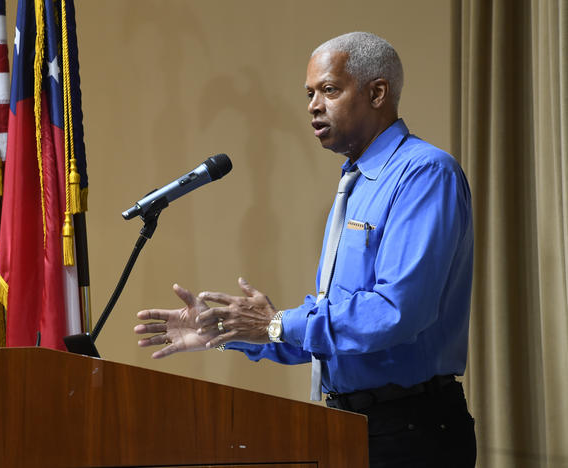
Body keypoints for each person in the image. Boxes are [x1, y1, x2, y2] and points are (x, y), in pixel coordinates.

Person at [134, 32, 476, 468]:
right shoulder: (355, 183)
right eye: (310, 93)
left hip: (411, 430)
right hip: (347, 425)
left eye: (329, 90)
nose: (314, 105)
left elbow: (395, 312)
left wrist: (276, 323)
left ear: (377, 93)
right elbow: (333, 331)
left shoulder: (424, 174)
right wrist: (233, 331)